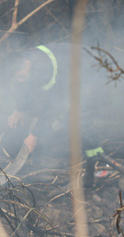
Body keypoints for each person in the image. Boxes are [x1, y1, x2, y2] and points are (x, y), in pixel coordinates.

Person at [7, 43, 105, 187]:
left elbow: (52, 105)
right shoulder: (25, 61)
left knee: (81, 120)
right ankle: (40, 165)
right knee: (58, 120)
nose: (20, 80)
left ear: (27, 64)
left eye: (21, 76)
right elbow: (23, 87)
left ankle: (95, 169)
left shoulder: (44, 67)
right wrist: (19, 109)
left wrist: (34, 135)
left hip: (88, 72)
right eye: (17, 78)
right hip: (66, 79)